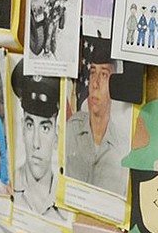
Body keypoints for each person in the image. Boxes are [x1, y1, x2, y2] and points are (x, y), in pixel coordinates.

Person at [65, 38, 130, 195]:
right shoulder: (72, 129)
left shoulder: (122, 146)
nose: (94, 84)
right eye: (92, 72)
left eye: (104, 75)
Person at [12, 67, 63, 219]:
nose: (36, 143)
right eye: (30, 125)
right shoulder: (6, 188)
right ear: (22, 129)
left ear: (56, 136)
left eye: (45, 128)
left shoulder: (66, 205)